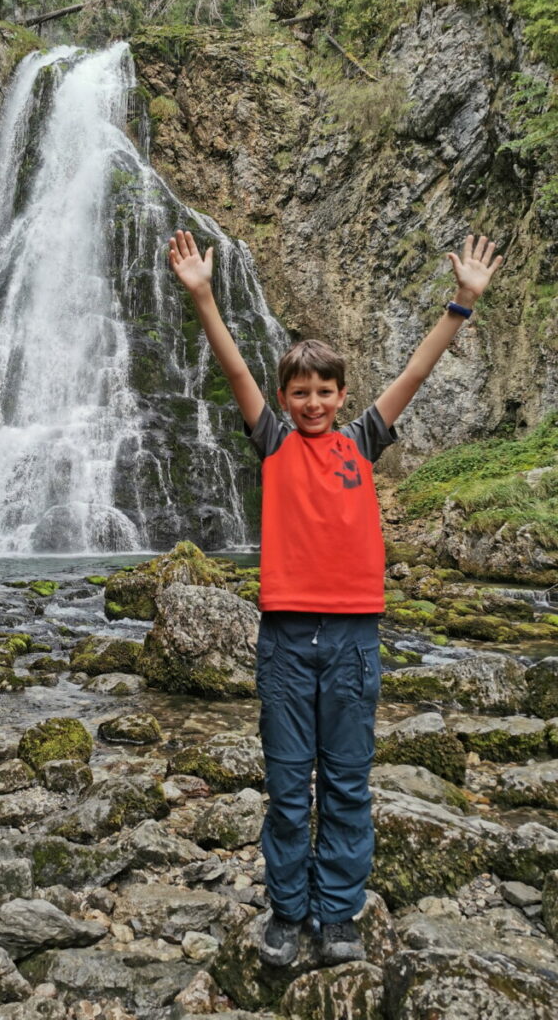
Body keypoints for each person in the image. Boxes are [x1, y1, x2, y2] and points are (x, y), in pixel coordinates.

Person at [168, 229, 502, 967]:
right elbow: (232, 366)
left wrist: (462, 304)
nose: (313, 402)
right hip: (286, 640)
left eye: (325, 392)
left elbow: (418, 367)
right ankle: (288, 912)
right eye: (300, 393)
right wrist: (201, 294)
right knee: (289, 787)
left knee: (347, 783)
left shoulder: (362, 440)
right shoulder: (274, 442)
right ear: (283, 399)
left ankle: (339, 913)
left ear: (342, 396)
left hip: (353, 639)